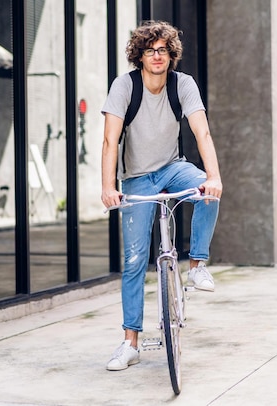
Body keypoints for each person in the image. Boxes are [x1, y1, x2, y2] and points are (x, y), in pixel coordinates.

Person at [101, 20, 222, 371]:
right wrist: (109, 186)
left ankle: (197, 265)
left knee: (206, 191)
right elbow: (110, 140)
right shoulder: (124, 86)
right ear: (139, 55)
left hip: (172, 167)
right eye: (150, 50)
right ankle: (130, 343)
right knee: (134, 260)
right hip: (137, 179)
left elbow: (202, 133)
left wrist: (213, 177)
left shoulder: (182, 85)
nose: (157, 56)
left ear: (172, 55)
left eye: (163, 50)